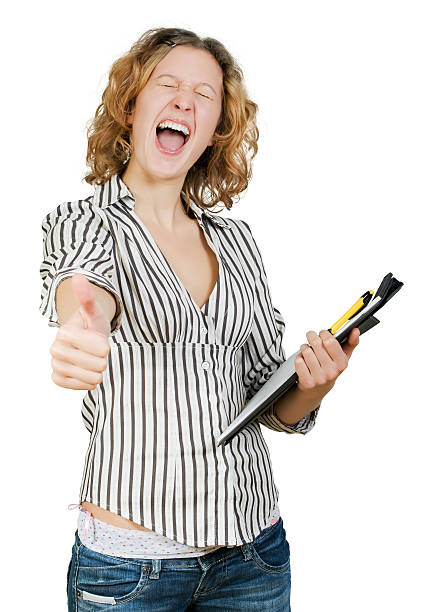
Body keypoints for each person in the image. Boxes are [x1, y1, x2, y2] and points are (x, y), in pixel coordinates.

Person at [39, 26, 360, 611]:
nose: (185, 100)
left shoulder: (238, 243)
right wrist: (81, 323)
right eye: (168, 84)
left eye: (204, 94)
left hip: (254, 557)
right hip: (130, 570)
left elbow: (272, 405)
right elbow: (84, 289)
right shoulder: (84, 223)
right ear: (131, 107)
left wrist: (316, 383)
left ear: (214, 129)